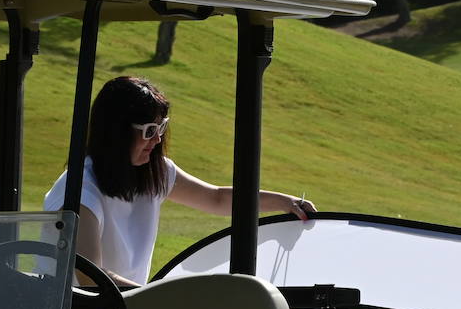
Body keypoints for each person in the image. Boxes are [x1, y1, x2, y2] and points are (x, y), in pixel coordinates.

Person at [44, 75, 313, 288]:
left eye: (161, 127)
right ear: (115, 133)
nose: (158, 139)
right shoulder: (80, 190)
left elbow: (216, 198)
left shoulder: (154, 172)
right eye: (149, 130)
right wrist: (158, 298)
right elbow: (91, 276)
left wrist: (285, 202)